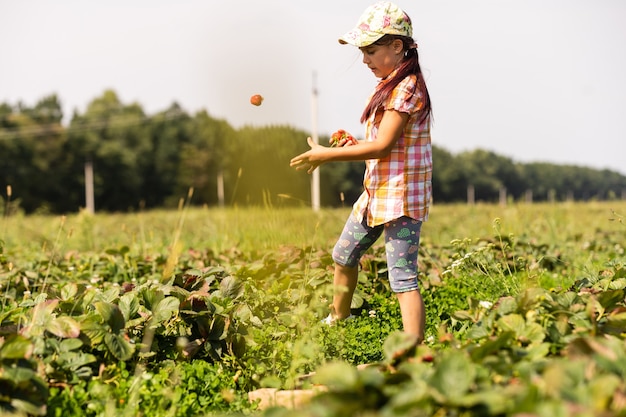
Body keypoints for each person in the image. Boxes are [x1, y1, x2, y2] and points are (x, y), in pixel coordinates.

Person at [290, 1, 432, 343]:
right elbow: (385, 144)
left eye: (370, 50)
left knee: (402, 278)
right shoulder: (389, 83)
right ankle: (339, 319)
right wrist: (352, 144)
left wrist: (327, 156)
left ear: (397, 46)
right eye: (362, 51)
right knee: (343, 254)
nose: (364, 59)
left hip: (401, 198)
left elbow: (383, 147)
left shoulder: (406, 88)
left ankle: (412, 347)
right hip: (377, 193)